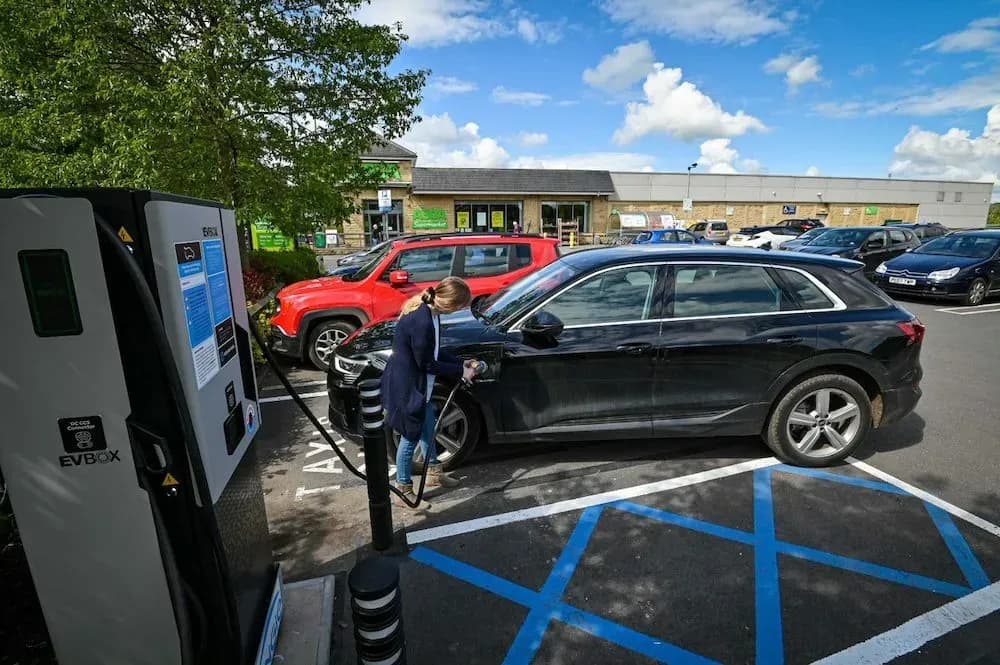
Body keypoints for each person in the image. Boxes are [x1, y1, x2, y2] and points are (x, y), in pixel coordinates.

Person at [382, 277, 479, 505]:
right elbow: (426, 363)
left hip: (419, 386)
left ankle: (434, 472)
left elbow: (433, 351)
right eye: (460, 306)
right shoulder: (422, 320)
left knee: (428, 427)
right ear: (450, 303)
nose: (459, 310)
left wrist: (460, 363)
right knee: (409, 437)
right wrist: (460, 372)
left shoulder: (431, 314)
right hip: (409, 388)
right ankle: (403, 489)